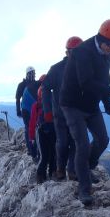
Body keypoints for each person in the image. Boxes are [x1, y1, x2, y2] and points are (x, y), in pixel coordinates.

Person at [59, 19, 110, 205]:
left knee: (103, 140)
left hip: (90, 104)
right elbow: (86, 82)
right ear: (100, 38)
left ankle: (85, 168)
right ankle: (84, 189)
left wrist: (108, 104)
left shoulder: (106, 53)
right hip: (72, 105)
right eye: (109, 43)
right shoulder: (82, 53)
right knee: (82, 145)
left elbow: (103, 80)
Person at [41, 36, 82, 181]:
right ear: (67, 52)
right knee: (63, 142)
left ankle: (71, 170)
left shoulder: (83, 68)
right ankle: (60, 169)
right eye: (73, 51)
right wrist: (47, 111)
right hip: (60, 114)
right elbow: (45, 88)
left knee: (76, 142)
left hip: (77, 113)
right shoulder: (57, 69)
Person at [29, 86, 56, 183]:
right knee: (47, 155)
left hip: (44, 131)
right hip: (44, 131)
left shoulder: (37, 106)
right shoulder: (37, 106)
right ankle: (43, 173)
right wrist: (32, 137)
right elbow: (32, 122)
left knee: (50, 154)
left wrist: (32, 136)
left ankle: (45, 174)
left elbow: (32, 122)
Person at [15, 67, 38, 159]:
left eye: (33, 73)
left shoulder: (34, 84)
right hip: (26, 110)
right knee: (28, 128)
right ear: (27, 74)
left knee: (34, 127)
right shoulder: (22, 85)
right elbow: (17, 98)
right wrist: (18, 111)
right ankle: (30, 148)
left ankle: (35, 148)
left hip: (35, 109)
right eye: (31, 73)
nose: (33, 75)